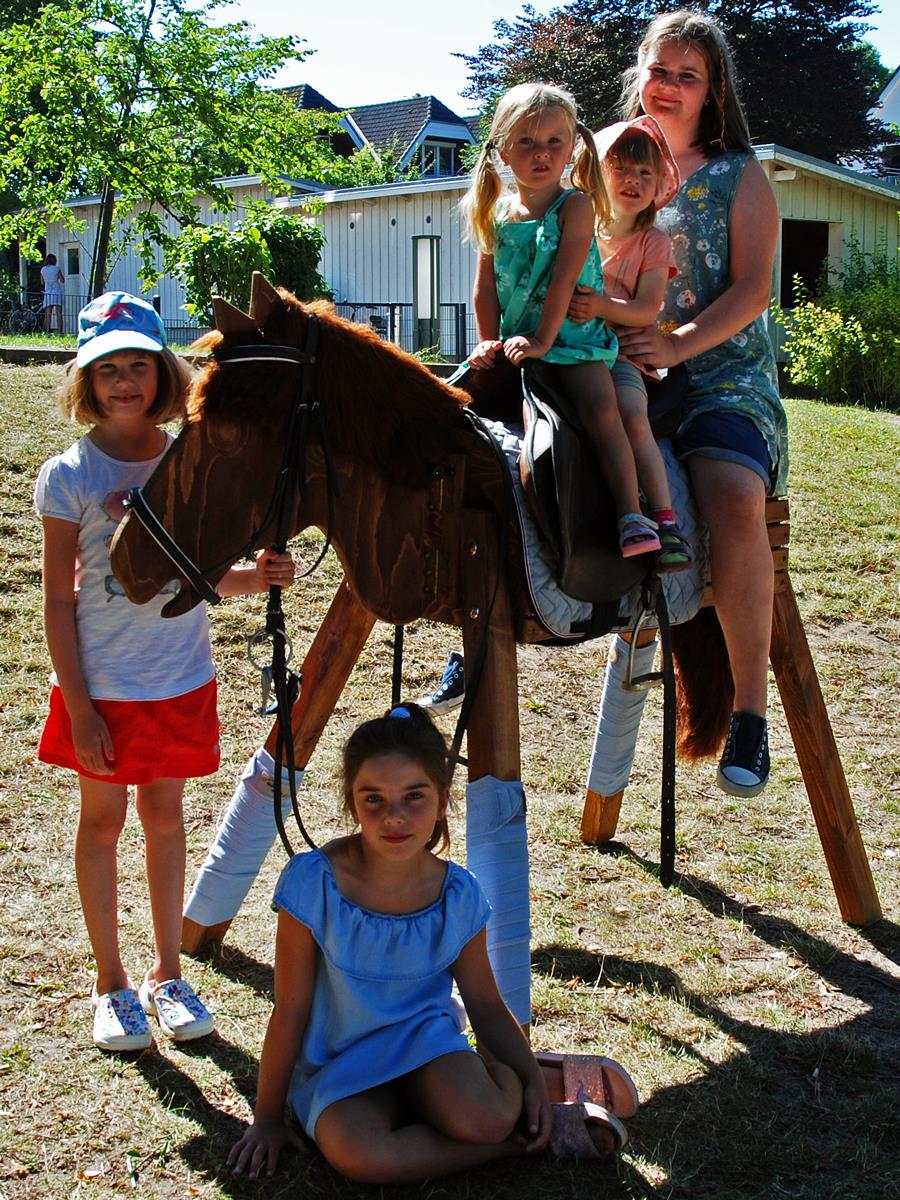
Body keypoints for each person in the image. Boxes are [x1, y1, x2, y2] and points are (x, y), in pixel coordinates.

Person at [34, 291, 296, 1052]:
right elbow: (57, 600)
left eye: (138, 367)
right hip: (103, 690)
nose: (124, 382)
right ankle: (110, 981)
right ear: (86, 381)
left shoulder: (191, 460)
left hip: (178, 680)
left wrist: (260, 575)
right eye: (107, 368)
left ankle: (165, 972)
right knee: (103, 822)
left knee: (164, 820)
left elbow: (201, 574)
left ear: (163, 373)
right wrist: (79, 708)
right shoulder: (69, 477)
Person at [228, 704, 636, 1183]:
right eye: (373, 799)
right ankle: (525, 1139)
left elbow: (484, 1002)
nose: (394, 816)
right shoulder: (313, 883)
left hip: (426, 1048)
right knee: (358, 1155)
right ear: (351, 801)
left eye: (414, 796)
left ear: (443, 798)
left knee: (485, 1118)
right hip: (341, 1064)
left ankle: (522, 1085)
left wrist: (523, 1080)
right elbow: (290, 1008)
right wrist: (268, 1119)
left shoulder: (456, 895)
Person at [601, 10, 789, 796]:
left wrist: (678, 343)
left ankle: (750, 709)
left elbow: (751, 290)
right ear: (638, 74)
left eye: (688, 75)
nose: (668, 86)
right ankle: (478, 639)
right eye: (659, 69)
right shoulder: (607, 162)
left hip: (720, 376)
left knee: (731, 497)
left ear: (713, 94)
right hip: (623, 362)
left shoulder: (739, 174)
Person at [463, 81, 661, 559]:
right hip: (522, 345)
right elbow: (485, 288)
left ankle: (630, 513)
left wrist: (542, 340)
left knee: (600, 409)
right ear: (504, 153)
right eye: (527, 142)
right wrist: (489, 340)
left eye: (555, 142)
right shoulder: (495, 214)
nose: (542, 153)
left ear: (572, 148)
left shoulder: (574, 205)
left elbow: (564, 280)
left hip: (573, 341)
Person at [569, 115, 692, 573]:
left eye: (645, 173)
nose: (633, 181)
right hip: (573, 350)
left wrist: (599, 305)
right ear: (596, 173)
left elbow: (646, 310)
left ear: (659, 184)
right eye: (620, 168)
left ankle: (664, 520)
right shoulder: (577, 229)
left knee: (631, 414)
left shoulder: (653, 242)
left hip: (620, 352)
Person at [40, 253, 65, 334]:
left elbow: (42, 282)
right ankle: (60, 332)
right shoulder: (57, 268)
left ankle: (47, 332)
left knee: (48, 314)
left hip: (48, 292)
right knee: (59, 313)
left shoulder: (43, 269)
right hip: (56, 292)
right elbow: (62, 280)